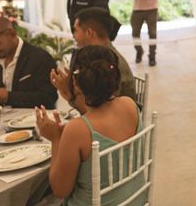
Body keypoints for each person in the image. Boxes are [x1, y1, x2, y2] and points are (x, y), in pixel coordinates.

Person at [37, 45, 146, 205]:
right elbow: (97, 116)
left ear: (75, 82)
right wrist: (73, 100)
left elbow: (60, 190)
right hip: (135, 200)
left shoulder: (77, 129)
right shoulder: (129, 105)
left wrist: (55, 139)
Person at [51, 7, 136, 116]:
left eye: (76, 30)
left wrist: (70, 93)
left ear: (89, 33)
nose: (73, 36)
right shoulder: (97, 58)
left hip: (117, 125)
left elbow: (100, 114)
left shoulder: (109, 63)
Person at [0, 16, 57, 108]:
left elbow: (49, 98)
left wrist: (8, 97)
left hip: (33, 121)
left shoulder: (40, 58)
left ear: (12, 34)